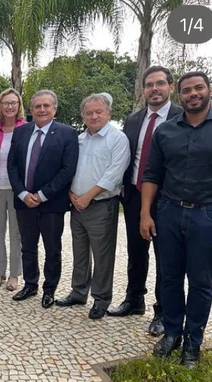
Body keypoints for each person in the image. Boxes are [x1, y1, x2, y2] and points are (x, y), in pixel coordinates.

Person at [141, 71, 212, 368]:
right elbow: (151, 175)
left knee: (200, 280)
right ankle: (172, 333)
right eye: (187, 90)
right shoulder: (166, 131)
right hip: (168, 211)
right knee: (169, 277)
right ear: (179, 94)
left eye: (199, 88)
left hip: (208, 214)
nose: (193, 94)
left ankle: (193, 342)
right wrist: (146, 213)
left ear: (209, 90)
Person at [107, 66, 183, 337]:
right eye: (149, 85)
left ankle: (162, 311)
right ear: (142, 90)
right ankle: (134, 299)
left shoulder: (182, 117)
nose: (154, 89)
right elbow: (129, 156)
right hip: (135, 195)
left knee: (166, 257)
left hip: (168, 198)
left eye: (160, 84)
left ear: (170, 87)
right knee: (136, 251)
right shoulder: (134, 119)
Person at [56, 93, 130, 319]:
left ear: (109, 113)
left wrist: (87, 196)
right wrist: (71, 193)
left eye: (99, 111)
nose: (94, 116)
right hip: (76, 204)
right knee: (79, 252)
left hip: (101, 205)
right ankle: (79, 292)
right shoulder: (80, 139)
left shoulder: (118, 139)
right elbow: (70, 169)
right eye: (89, 113)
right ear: (83, 116)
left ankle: (101, 299)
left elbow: (114, 175)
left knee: (102, 255)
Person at [8, 90, 79, 308]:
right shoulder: (21, 133)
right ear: (31, 109)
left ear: (54, 109)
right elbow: (12, 165)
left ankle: (49, 289)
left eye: (46, 106)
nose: (42, 110)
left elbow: (67, 170)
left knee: (52, 248)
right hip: (23, 201)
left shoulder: (67, 134)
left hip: (52, 203)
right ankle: (30, 284)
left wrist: (42, 195)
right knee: (28, 246)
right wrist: (22, 193)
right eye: (37, 106)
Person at [0, 89, 27, 291]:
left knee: (16, 233)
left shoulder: (26, 129)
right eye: (6, 103)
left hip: (16, 189)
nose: (10, 106)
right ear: (0, 106)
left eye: (14, 102)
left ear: (19, 105)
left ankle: (14, 275)